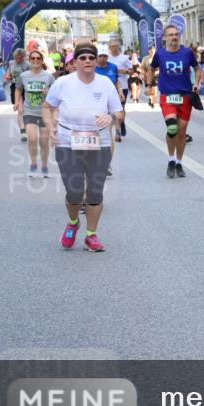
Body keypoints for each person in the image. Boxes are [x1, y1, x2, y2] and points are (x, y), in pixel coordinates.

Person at [41, 41, 123, 252]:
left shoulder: (105, 83)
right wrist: (51, 127)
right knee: (75, 191)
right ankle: (73, 221)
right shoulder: (63, 83)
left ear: (96, 61)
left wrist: (111, 117)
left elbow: (119, 112)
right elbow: (47, 107)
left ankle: (91, 235)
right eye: (82, 58)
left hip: (100, 143)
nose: (87, 61)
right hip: (68, 142)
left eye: (91, 58)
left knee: (95, 192)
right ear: (75, 62)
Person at [147, 25, 204, 178]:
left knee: (181, 132)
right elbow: (151, 69)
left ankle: (179, 162)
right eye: (171, 35)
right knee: (172, 128)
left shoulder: (187, 52)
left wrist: (196, 83)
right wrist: (149, 85)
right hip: (167, 96)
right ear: (164, 37)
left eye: (176, 34)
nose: (174, 37)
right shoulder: (160, 54)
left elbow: (198, 69)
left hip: (186, 96)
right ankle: (170, 159)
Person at [16, 48, 55, 177]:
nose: (35, 60)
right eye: (33, 58)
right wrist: (17, 102)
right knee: (32, 139)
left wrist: (49, 93)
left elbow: (56, 94)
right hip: (29, 111)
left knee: (44, 141)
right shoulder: (24, 76)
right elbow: (18, 89)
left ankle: (44, 165)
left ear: (42, 60)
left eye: (38, 58)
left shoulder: (48, 76)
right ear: (30, 60)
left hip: (45, 112)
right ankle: (33, 163)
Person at [8, 48, 29, 140]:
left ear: (23, 57)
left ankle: (27, 127)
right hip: (15, 87)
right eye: (17, 58)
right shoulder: (11, 63)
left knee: (26, 110)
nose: (18, 60)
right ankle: (23, 132)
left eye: (20, 58)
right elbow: (9, 73)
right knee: (20, 110)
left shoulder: (27, 64)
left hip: (26, 88)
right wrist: (8, 76)